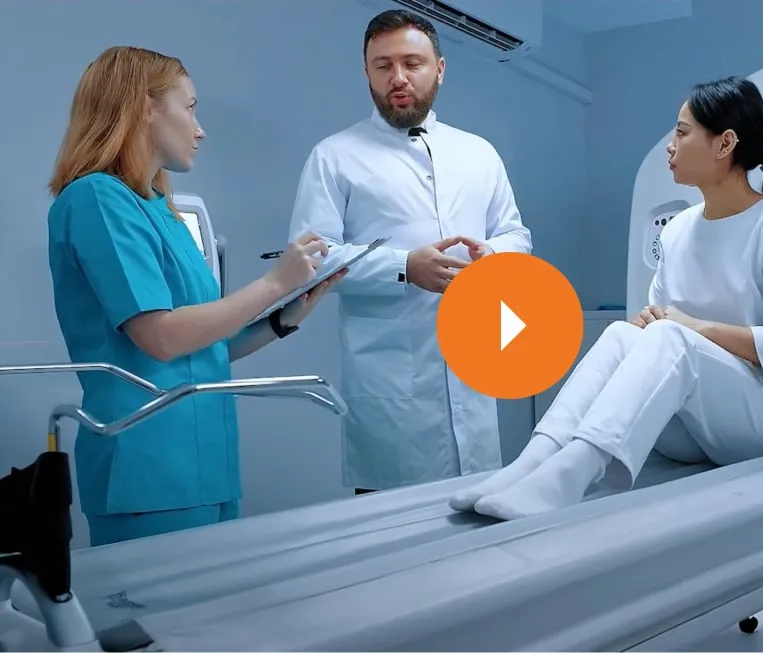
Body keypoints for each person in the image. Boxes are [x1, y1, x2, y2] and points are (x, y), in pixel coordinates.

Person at [450, 76, 763, 520]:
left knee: (671, 337)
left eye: (682, 132)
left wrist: (694, 329)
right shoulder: (679, 230)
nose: (670, 145)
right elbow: (657, 323)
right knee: (621, 334)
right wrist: (651, 324)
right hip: (698, 427)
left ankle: (570, 476)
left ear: (725, 144)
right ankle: (534, 460)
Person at [47, 46, 344, 546]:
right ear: (145, 107)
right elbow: (161, 338)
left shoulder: (160, 209)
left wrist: (284, 317)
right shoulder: (95, 198)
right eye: (189, 107)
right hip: (148, 467)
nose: (200, 129)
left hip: (209, 462)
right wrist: (275, 282)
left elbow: (204, 348)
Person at [288, 10, 533, 494]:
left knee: (480, 522)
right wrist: (404, 267)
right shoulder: (334, 156)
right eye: (383, 65)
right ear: (366, 73)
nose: (397, 77)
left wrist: (490, 255)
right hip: (391, 396)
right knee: (392, 531)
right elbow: (311, 260)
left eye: (412, 63)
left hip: (473, 376)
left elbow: (516, 235)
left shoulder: (479, 154)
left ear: (439, 69)